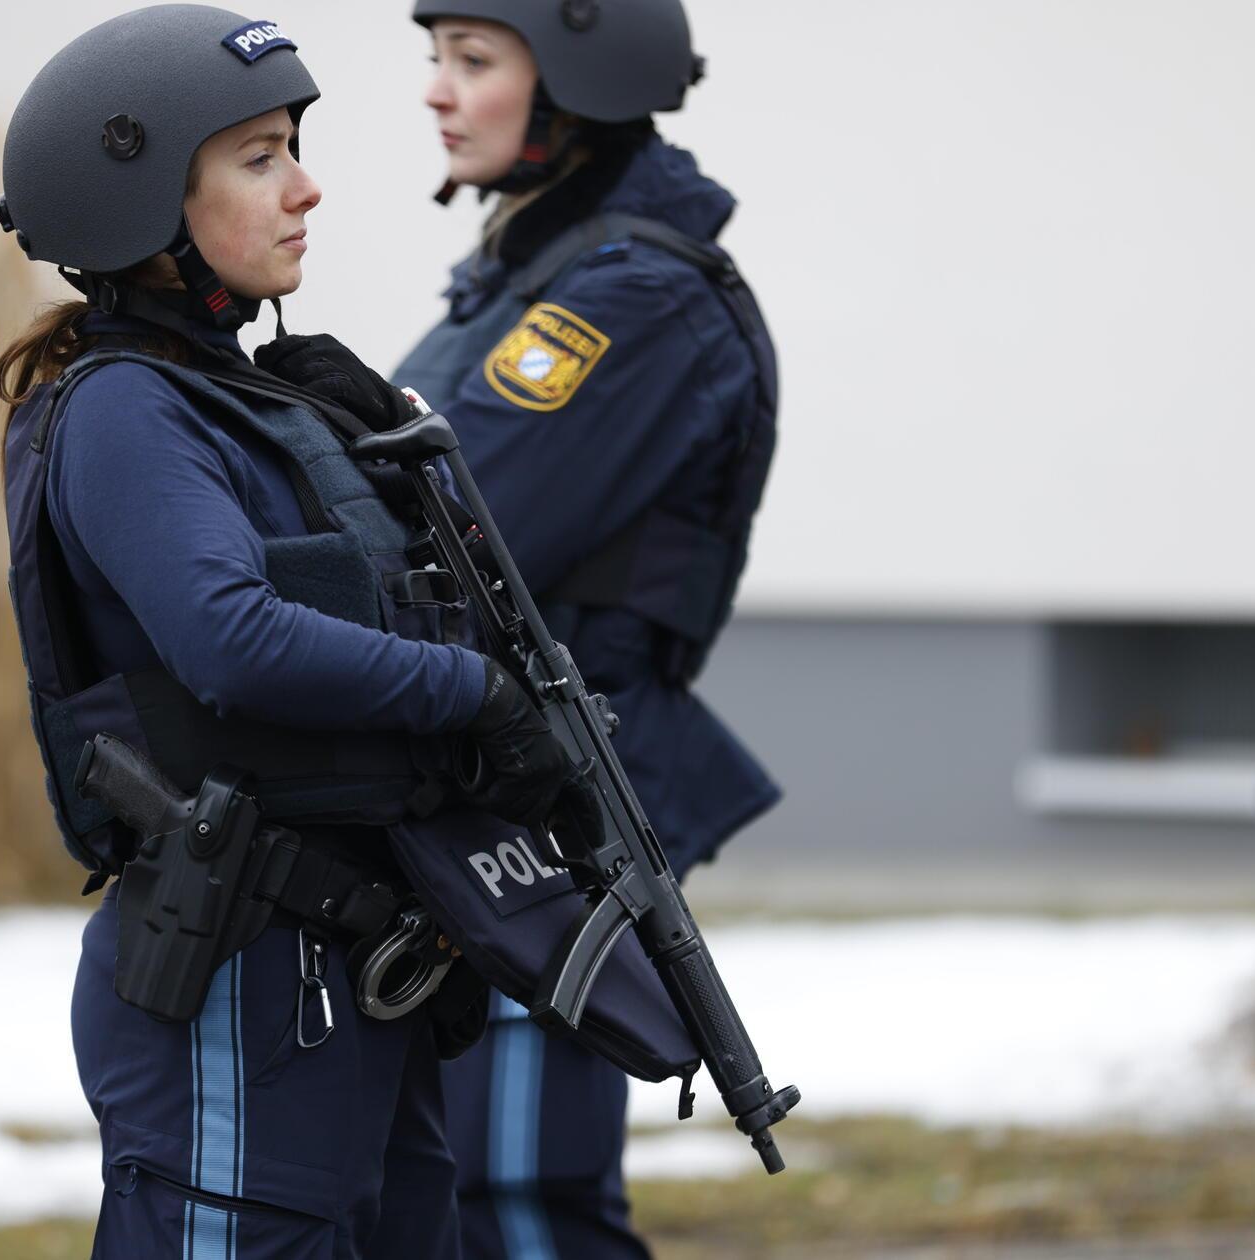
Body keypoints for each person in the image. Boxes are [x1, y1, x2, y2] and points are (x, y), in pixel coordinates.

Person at [0, 8, 585, 1257]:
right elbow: (231, 639)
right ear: (143, 200)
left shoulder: (244, 398)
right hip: (243, 980)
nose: (305, 189)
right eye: (259, 158)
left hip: (354, 975)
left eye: (292, 152)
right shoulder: (126, 412)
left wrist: (393, 462)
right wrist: (472, 696)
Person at [393, 1, 784, 1256]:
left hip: (563, 811)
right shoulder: (534, 269)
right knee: (449, 1197)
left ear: (579, 84)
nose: (437, 91)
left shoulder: (633, 297)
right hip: (492, 791)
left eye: (473, 61)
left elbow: (453, 531)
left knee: (518, 1198)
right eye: (437, 60)